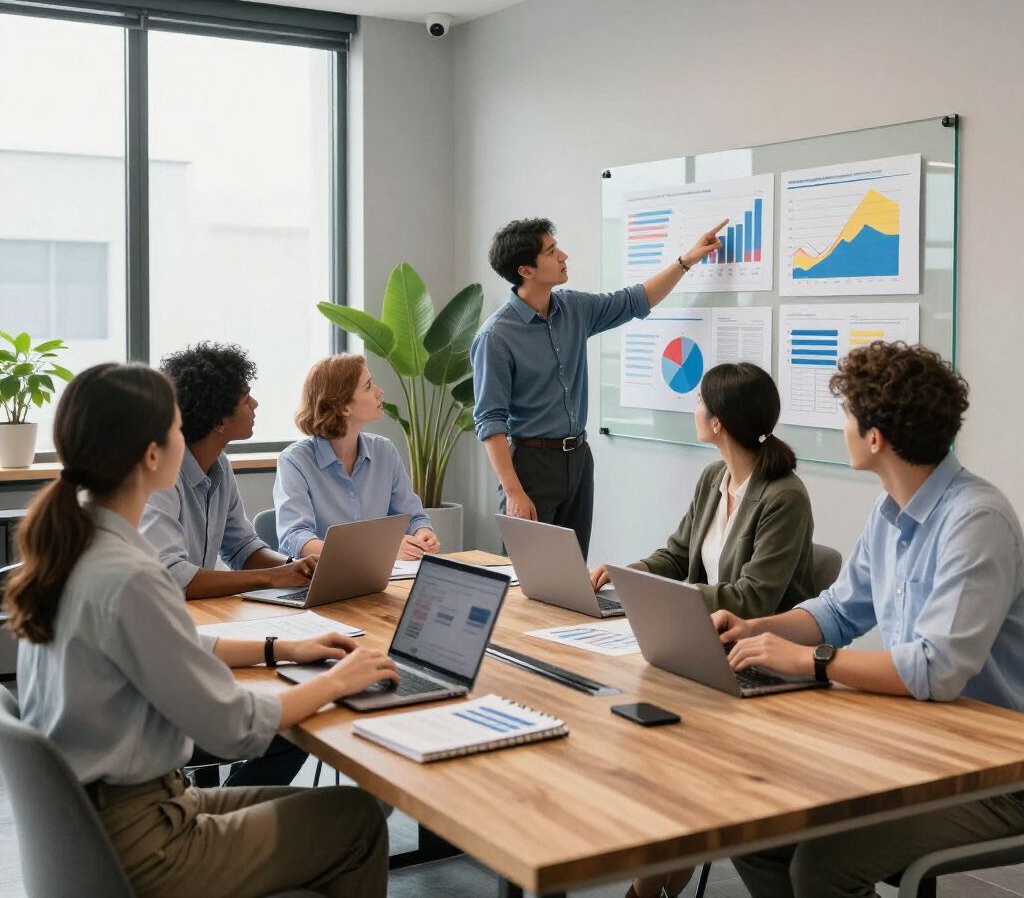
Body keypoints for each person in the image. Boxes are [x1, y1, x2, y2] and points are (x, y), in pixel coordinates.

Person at [6, 363, 398, 898]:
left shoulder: (82, 546)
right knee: (357, 822)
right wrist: (336, 681)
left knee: (343, 809)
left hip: (109, 819)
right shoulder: (131, 575)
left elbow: (173, 645)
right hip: (149, 843)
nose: (183, 436)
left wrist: (280, 647)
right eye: (174, 428)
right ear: (151, 455)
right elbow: (232, 727)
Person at [711, 342, 1024, 898]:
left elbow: (936, 668)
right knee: (753, 829)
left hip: (995, 772)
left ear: (874, 438)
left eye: (847, 417)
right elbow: (837, 610)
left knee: (822, 866)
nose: (842, 428)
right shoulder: (890, 511)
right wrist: (758, 629)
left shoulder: (976, 519)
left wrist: (812, 662)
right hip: (917, 741)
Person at [589, 361, 815, 898]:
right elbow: (676, 554)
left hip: (759, 658)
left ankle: (648, 884)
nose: (694, 411)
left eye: (699, 403)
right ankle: (658, 874)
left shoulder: (785, 495)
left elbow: (754, 596)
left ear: (718, 422)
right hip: (700, 645)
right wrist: (626, 575)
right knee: (641, 731)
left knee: (662, 745)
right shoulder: (714, 479)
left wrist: (668, 600)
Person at [471, 217, 726, 559]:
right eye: (550, 251)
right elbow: (490, 421)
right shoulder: (496, 336)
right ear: (526, 270)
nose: (562, 255)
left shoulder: (574, 307)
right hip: (530, 466)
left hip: (578, 460)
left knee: (571, 575)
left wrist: (687, 261)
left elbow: (635, 300)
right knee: (527, 578)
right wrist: (513, 491)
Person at [139, 341, 315, 786]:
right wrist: (269, 576)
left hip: (193, 636)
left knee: (283, 699)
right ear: (218, 416)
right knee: (292, 727)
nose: (255, 403)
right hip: (168, 665)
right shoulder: (162, 478)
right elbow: (174, 578)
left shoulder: (219, 467)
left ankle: (224, 805)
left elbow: (242, 546)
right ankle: (225, 818)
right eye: (245, 398)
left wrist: (292, 566)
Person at [274, 353, 440, 561]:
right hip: (319, 582)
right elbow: (296, 539)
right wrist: (378, 550)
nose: (379, 392)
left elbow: (413, 516)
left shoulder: (384, 451)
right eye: (368, 386)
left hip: (382, 578)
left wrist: (422, 533)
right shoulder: (295, 461)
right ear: (343, 406)